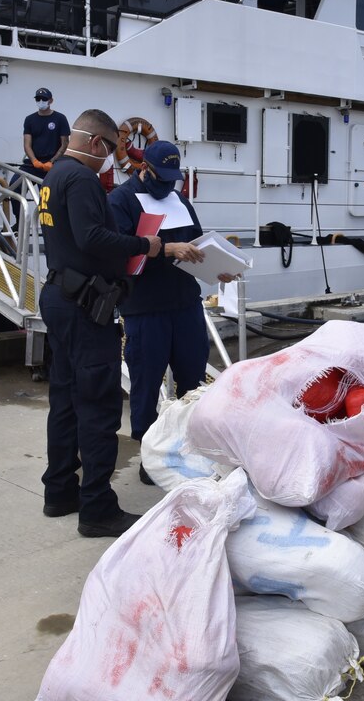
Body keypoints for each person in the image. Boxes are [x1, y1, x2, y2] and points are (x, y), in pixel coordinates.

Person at [37, 108, 162, 538]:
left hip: (59, 296)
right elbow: (93, 238)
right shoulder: (83, 179)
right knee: (98, 404)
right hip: (85, 306)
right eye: (110, 150)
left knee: (66, 398)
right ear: (95, 144)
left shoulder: (54, 176)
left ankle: (59, 491)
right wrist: (145, 243)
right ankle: (97, 508)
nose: (111, 159)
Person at [107, 141, 237, 472]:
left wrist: (216, 268)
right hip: (145, 307)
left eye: (172, 179)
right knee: (146, 384)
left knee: (193, 381)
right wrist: (167, 249)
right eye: (161, 177)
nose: (167, 185)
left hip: (185, 304)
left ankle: (187, 447)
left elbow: (195, 247)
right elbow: (119, 251)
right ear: (143, 169)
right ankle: (149, 458)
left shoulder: (180, 200)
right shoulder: (121, 201)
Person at [21, 88, 69, 181]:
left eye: (44, 99)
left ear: (51, 100)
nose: (41, 101)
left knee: (46, 193)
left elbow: (65, 144)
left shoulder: (60, 118)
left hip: (54, 164)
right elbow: (27, 145)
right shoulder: (29, 119)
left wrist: (52, 162)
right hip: (33, 163)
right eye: (38, 99)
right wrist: (34, 161)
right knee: (15, 184)